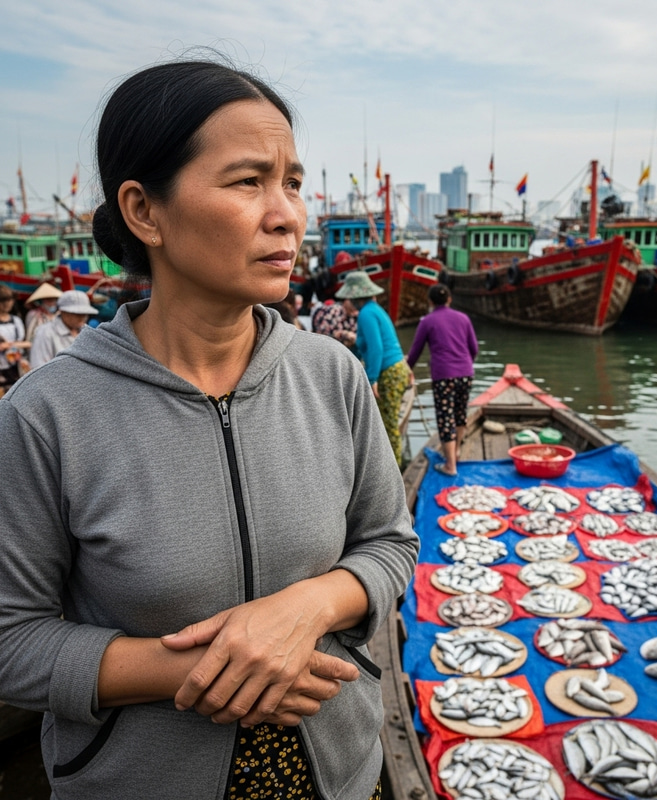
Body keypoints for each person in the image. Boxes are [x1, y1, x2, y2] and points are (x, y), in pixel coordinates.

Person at [0, 57, 418, 800]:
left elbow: (389, 544)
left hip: (340, 775)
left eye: (291, 181)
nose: (288, 212)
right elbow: (12, 640)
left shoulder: (332, 375)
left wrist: (307, 608)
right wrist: (205, 668)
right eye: (247, 181)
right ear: (145, 212)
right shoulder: (46, 415)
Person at [334, 271, 410, 466]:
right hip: (396, 369)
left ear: (354, 298)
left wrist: (372, 379)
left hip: (389, 372)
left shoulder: (367, 314)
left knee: (388, 424)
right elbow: (363, 347)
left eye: (346, 299)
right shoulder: (373, 310)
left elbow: (376, 348)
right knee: (387, 420)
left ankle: (395, 470)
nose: (345, 303)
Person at [406, 283, 478, 476]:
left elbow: (414, 353)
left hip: (444, 376)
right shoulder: (463, 318)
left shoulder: (427, 321)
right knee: (460, 413)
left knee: (446, 418)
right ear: (449, 299)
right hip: (465, 373)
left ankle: (450, 465)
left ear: (430, 301)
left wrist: (408, 371)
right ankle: (456, 451)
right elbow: (474, 349)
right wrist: (465, 366)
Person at [28, 289, 99, 369]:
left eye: (85, 314)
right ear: (63, 312)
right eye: (77, 314)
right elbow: (38, 368)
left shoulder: (88, 332)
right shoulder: (45, 332)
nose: (82, 318)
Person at [0, 285, 31, 389]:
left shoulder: (16, 320)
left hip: (16, 365)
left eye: (10, 300)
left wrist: (10, 345)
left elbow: (27, 343)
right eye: (4, 300)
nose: (8, 304)